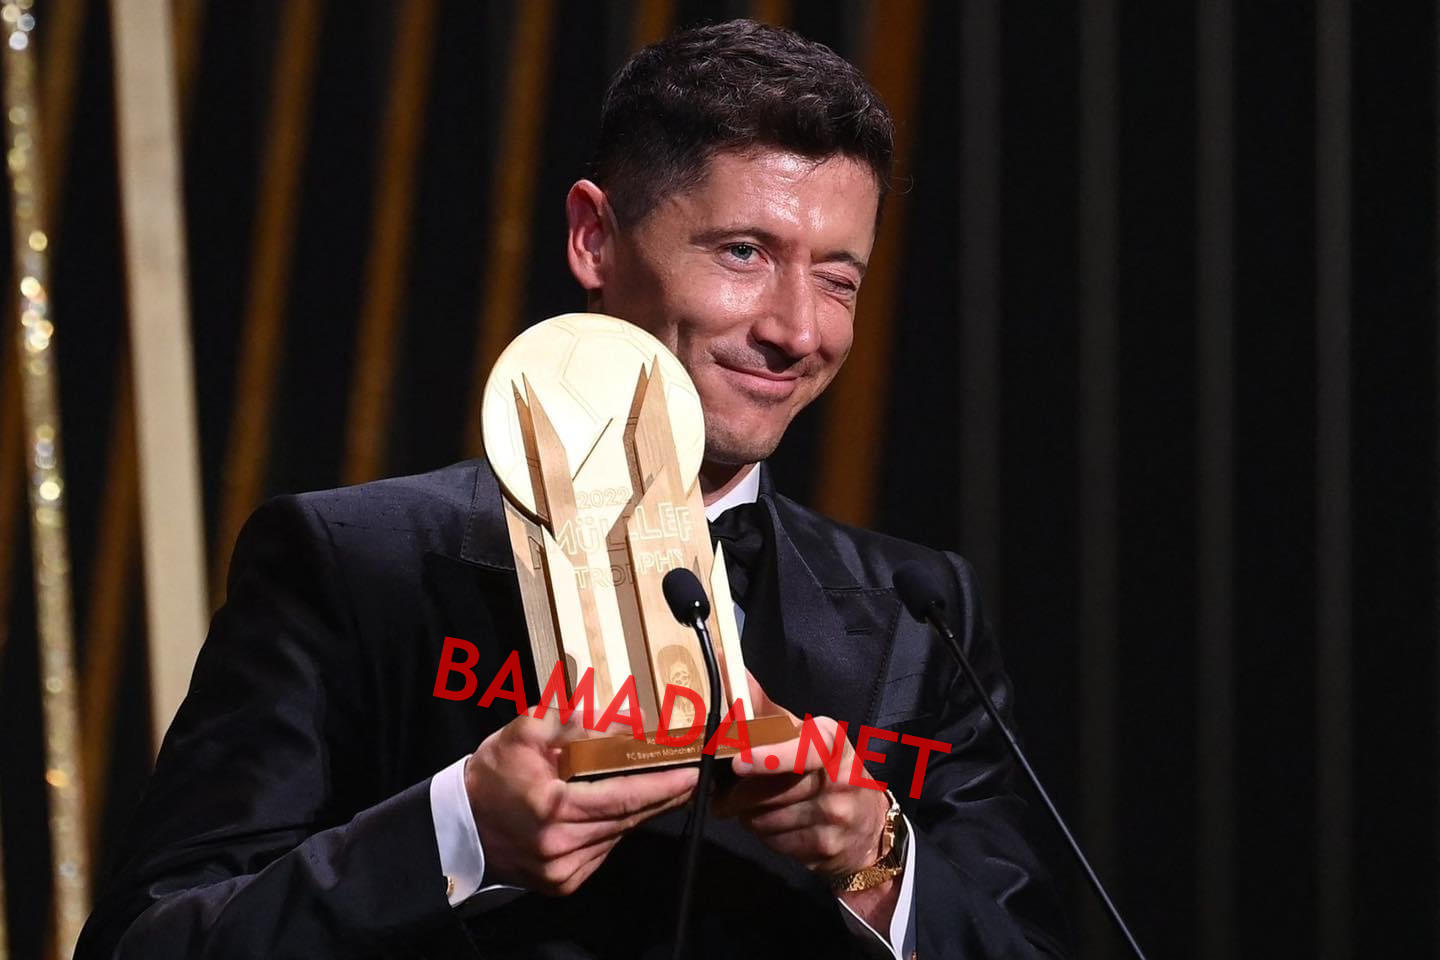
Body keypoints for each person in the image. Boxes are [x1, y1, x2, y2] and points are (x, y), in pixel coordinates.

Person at [76, 19, 1068, 959]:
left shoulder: (917, 619)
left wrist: (875, 859)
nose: (796, 330)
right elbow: (147, 942)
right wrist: (459, 831)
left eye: (838, 278)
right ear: (594, 236)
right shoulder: (354, 566)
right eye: (744, 253)